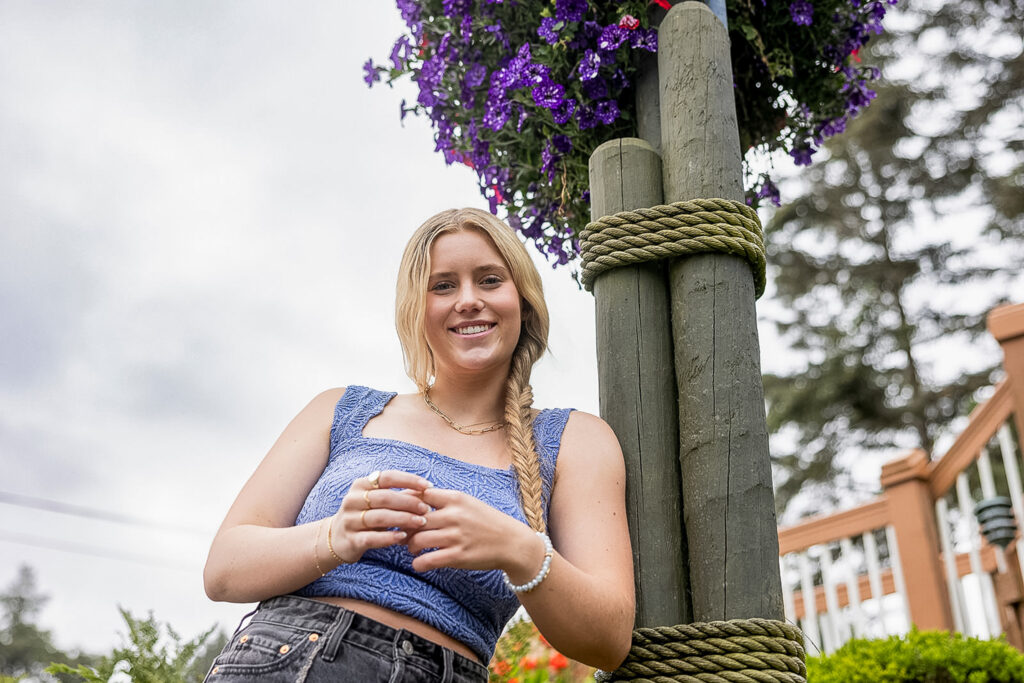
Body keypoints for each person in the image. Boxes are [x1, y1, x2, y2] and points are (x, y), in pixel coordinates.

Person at [202, 207, 634, 682]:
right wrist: (335, 537)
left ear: (524, 300)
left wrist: (521, 551)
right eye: (443, 285)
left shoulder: (575, 441)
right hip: (288, 660)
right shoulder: (341, 410)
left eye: (490, 280)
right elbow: (224, 569)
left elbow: (610, 640)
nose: (468, 300)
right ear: (416, 308)